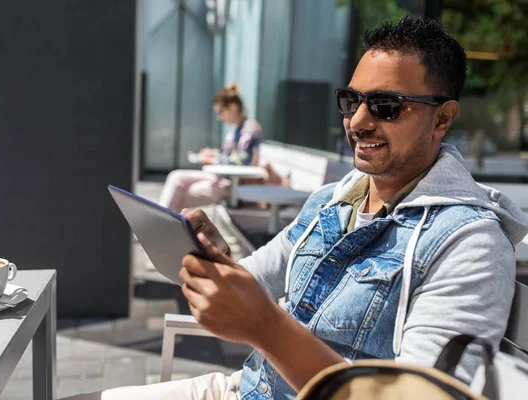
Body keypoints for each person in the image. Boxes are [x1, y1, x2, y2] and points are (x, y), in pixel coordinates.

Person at [66, 15, 528, 400]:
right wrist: (218, 260)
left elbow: (419, 397)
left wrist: (265, 328)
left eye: (386, 106)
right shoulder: (333, 201)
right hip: (245, 388)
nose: (359, 121)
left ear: (442, 118)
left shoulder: (470, 244)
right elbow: (256, 276)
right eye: (352, 101)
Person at [158, 84, 263, 212]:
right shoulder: (235, 130)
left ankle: (159, 226)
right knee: (175, 177)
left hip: (233, 184)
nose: (219, 118)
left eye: (221, 112)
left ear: (233, 107)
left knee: (179, 192)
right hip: (221, 179)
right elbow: (228, 156)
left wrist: (213, 160)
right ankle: (161, 225)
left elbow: (241, 162)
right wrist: (214, 155)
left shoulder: (249, 128)